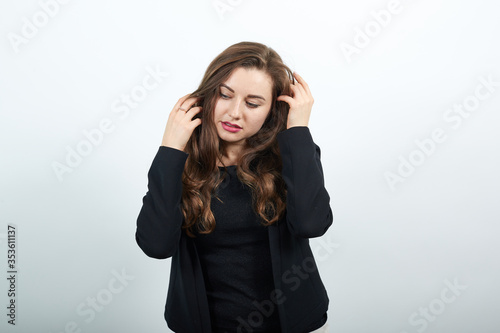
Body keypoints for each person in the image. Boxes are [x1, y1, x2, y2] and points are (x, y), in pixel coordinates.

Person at [135, 41, 333, 333]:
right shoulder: (179, 161)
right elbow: (156, 245)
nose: (234, 112)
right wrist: (170, 148)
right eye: (224, 95)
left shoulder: (291, 153)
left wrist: (299, 130)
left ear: (273, 109)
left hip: (295, 324)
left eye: (253, 103)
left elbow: (311, 225)